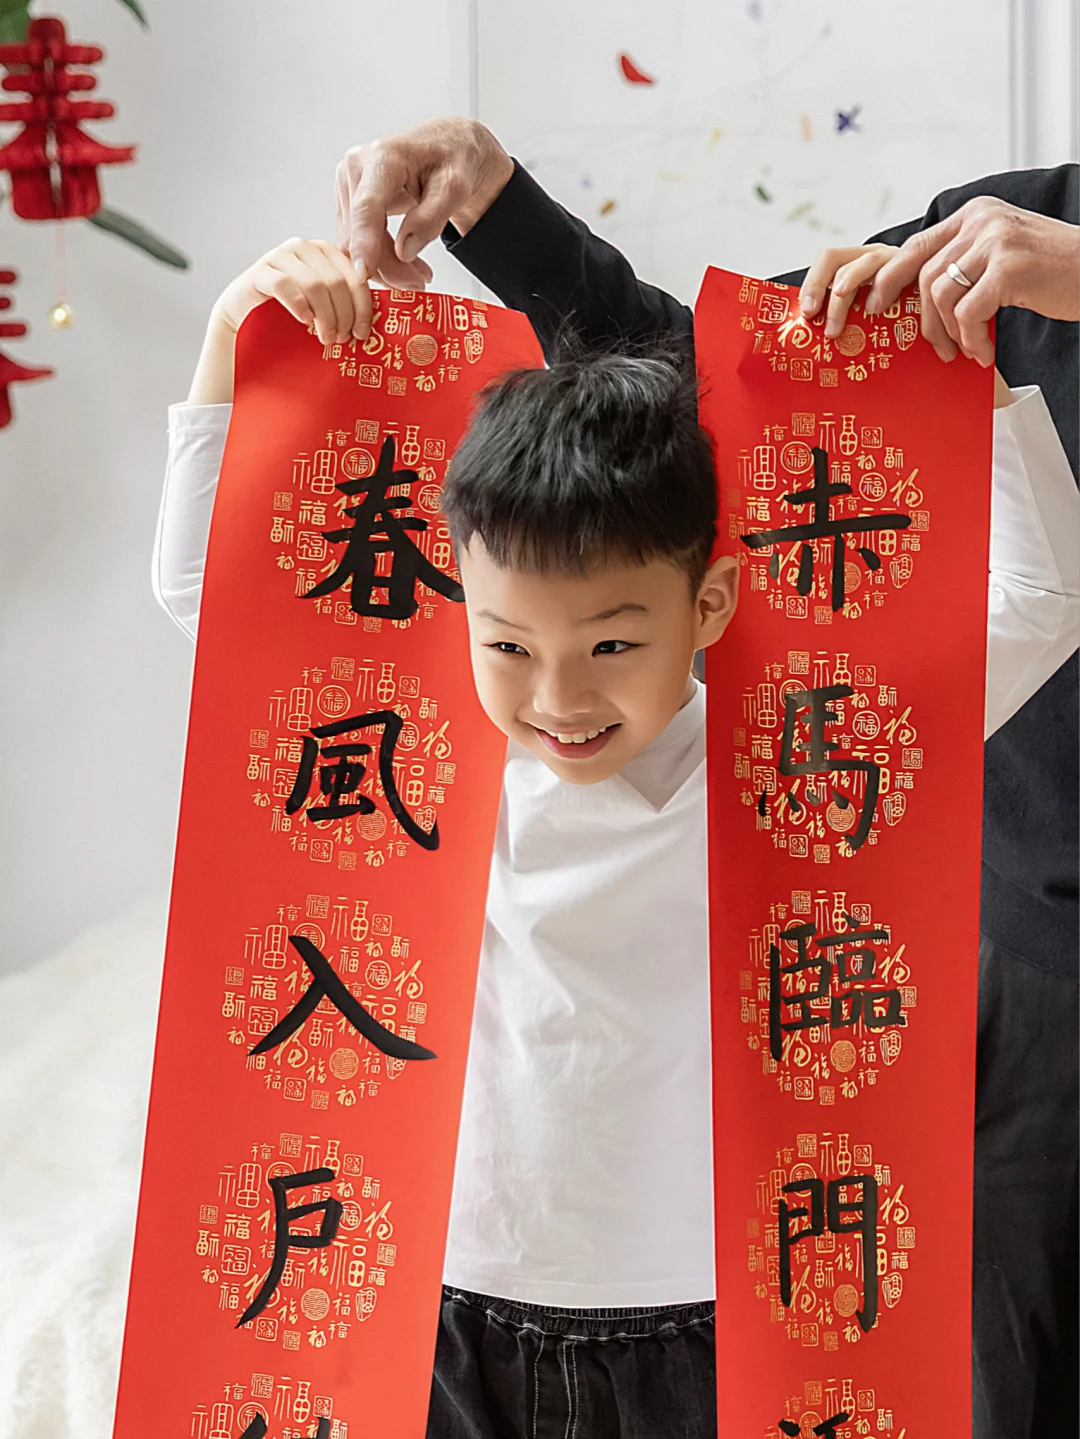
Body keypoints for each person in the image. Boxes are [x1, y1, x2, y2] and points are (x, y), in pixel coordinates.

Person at [153, 236, 1078, 1437]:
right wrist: (237, 326)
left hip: (711, 1317)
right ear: (459, 605)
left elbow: (1043, 601)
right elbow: (209, 590)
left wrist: (974, 374)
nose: (559, 698)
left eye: (611, 644)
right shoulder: (417, 752)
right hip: (451, 1296)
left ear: (710, 603)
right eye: (508, 645)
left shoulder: (796, 756)